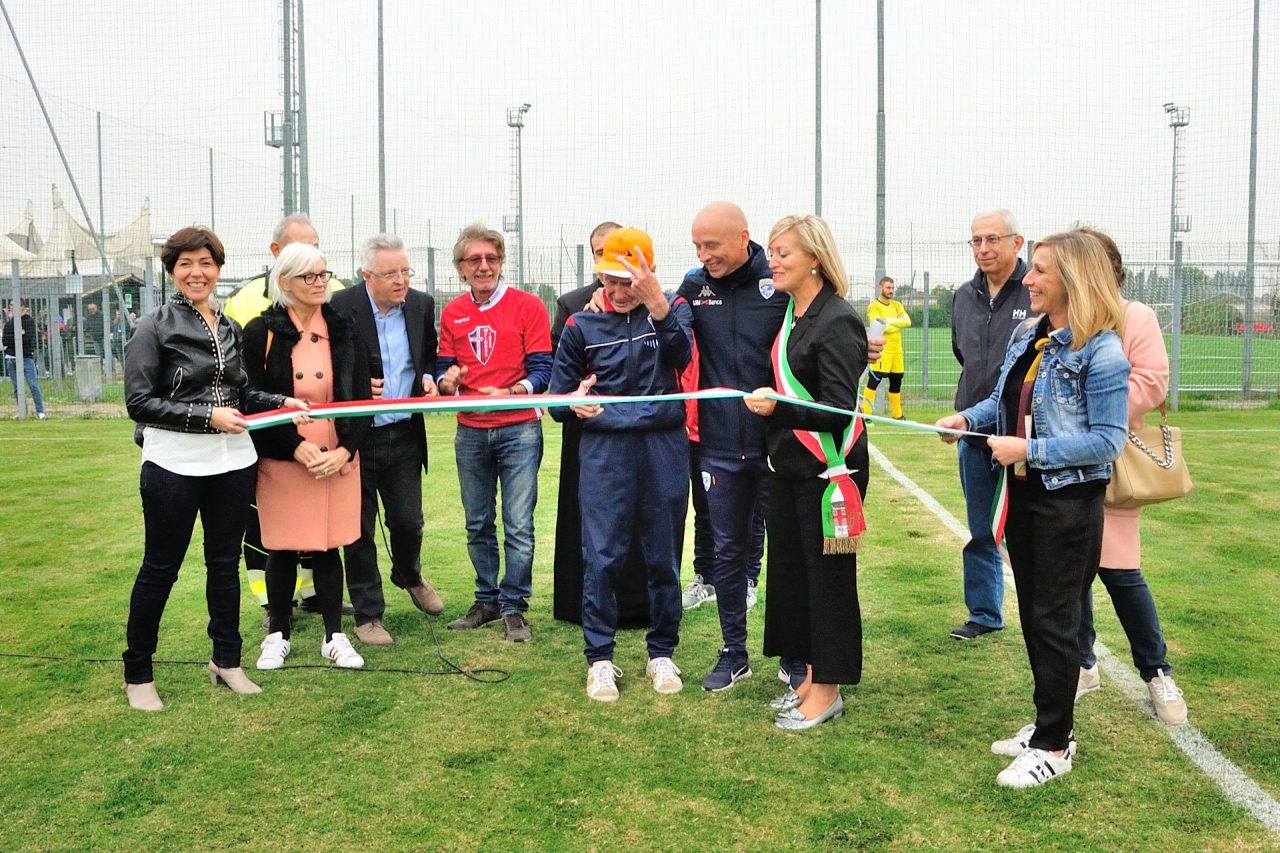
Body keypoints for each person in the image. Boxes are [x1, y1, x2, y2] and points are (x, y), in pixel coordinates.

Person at [937, 228, 1129, 788]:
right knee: (1037, 616)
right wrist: (967, 420)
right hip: (1021, 496)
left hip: (1067, 505)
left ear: (1073, 278)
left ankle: (1055, 743)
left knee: (1055, 619)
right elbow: (1001, 399)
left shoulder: (1104, 351)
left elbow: (1106, 442)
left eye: (1041, 270)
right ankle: (1050, 720)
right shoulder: (1031, 333)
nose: (1029, 278)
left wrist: (1030, 450)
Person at [121, 226, 297, 711]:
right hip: (173, 463)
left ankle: (227, 661)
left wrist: (281, 401)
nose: (196, 273)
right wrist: (205, 417)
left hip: (232, 462)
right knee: (161, 568)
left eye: (205, 263)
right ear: (172, 271)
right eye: (186, 264)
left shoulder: (227, 325)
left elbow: (237, 396)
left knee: (224, 567)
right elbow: (139, 402)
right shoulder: (152, 325)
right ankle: (138, 673)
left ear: (217, 268)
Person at [550, 226, 694, 701]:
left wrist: (658, 307)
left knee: (662, 556)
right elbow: (556, 398)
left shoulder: (673, 311)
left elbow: (683, 356)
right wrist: (574, 403)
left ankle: (662, 654)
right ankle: (600, 660)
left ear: (647, 275)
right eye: (607, 280)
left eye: (627, 280)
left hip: (662, 447)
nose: (615, 291)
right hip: (605, 451)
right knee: (602, 556)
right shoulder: (580, 325)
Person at [743, 215, 869, 731]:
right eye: (772, 252)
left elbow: (838, 409)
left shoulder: (837, 319)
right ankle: (809, 677)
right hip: (790, 468)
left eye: (783, 253)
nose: (772, 261)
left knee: (827, 582)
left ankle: (829, 688)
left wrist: (779, 409)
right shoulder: (793, 314)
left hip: (829, 473)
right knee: (795, 580)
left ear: (815, 258)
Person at [1073, 227, 1188, 725]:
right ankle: (1082, 665)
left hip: (1113, 463)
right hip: (1062, 466)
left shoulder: (1134, 315)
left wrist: (1087, 416)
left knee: (1121, 574)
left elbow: (1151, 379)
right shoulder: (1060, 318)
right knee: (1069, 575)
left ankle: (1157, 673)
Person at [673, 201, 787, 691]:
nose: (703, 255)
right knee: (725, 552)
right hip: (718, 445)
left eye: (712, 245)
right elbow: (660, 330)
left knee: (786, 551)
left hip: (779, 445)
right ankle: (733, 652)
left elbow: (821, 322)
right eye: (697, 246)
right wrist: (599, 300)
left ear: (744, 237)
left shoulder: (778, 280)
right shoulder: (694, 287)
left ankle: (795, 655)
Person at [243, 242, 371, 670]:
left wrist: (344, 450)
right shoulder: (261, 331)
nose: (321, 284)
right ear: (285, 283)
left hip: (336, 454)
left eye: (324, 274)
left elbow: (360, 397)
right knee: (282, 546)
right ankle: (277, 634)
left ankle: (334, 635)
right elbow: (252, 400)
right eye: (310, 276)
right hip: (284, 456)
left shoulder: (344, 324)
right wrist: (294, 447)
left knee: (328, 545)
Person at [225, 213, 345, 623]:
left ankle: (313, 596)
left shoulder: (335, 298)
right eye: (300, 249)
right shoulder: (246, 305)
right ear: (278, 257)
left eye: (316, 248)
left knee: (322, 532)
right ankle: (271, 608)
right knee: (267, 530)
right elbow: (243, 381)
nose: (317, 273)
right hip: (274, 440)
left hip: (326, 445)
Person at [438, 224, 553, 642]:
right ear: (461, 268)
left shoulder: (528, 306)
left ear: (501, 261)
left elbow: (544, 368)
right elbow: (443, 369)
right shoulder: (452, 313)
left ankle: (514, 608)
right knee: (477, 522)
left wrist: (513, 391)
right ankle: (486, 600)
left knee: (518, 523)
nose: (484, 266)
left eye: (491, 257)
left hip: (519, 428)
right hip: (470, 431)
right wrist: (447, 380)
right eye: (474, 260)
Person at [330, 234, 444, 647]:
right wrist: (355, 384)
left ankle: (409, 574)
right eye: (390, 273)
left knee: (408, 520)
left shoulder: (421, 304)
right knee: (357, 530)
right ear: (366, 276)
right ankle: (368, 615)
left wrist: (429, 377)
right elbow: (328, 365)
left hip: (404, 434)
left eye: (405, 271)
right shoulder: (340, 307)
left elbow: (426, 355)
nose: (401, 281)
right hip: (357, 437)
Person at [550, 220, 650, 628]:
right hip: (587, 432)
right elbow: (560, 373)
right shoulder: (573, 304)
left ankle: (638, 606)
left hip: (642, 435)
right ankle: (580, 605)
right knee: (585, 521)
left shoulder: (656, 306)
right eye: (598, 252)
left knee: (642, 520)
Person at [947, 209, 1032, 641]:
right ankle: (984, 614)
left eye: (993, 239)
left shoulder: (1036, 291)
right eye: (976, 240)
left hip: (1024, 435)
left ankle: (1047, 614)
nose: (984, 248)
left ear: (1018, 243)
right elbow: (964, 355)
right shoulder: (963, 296)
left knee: (1029, 530)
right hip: (974, 432)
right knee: (981, 528)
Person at [861, 275, 911, 420]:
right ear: (880, 288)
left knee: (896, 382)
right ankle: (866, 415)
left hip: (897, 351)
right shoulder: (874, 306)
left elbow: (907, 321)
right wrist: (896, 322)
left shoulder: (897, 305)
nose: (891, 291)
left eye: (893, 288)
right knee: (873, 382)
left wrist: (889, 321)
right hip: (882, 350)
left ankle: (898, 415)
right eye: (888, 288)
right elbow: (880, 326)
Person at [4, 302, 46, 419]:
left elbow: (27, 339)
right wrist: (18, 334)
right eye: (11, 305)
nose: (11, 306)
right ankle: (23, 411)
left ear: (22, 306)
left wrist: (20, 335)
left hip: (26, 357)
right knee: (17, 387)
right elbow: (5, 341)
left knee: (33, 385)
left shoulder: (29, 321)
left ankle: (40, 411)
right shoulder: (10, 323)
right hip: (12, 358)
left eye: (14, 304)